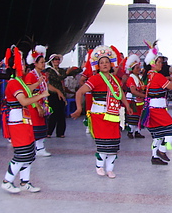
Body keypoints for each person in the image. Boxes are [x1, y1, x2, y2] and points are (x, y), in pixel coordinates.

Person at [71, 46, 132, 178]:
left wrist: (127, 105)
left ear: (111, 64)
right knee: (103, 142)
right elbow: (80, 92)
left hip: (114, 114)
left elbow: (120, 93)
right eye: (101, 63)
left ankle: (110, 169)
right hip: (100, 115)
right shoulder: (95, 79)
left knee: (114, 142)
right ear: (98, 65)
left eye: (106, 62)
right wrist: (79, 109)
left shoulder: (115, 79)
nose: (104, 65)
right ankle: (99, 166)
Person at [0, 45, 49, 193]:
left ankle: (25, 182)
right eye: (20, 62)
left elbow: (27, 90)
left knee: (29, 153)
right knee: (22, 153)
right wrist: (41, 95)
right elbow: (24, 101)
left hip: (24, 120)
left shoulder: (19, 81)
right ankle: (7, 181)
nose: (23, 64)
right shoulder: (14, 83)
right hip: (17, 121)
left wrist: (38, 83)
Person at [140, 44, 172, 164]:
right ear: (153, 63)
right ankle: (162, 150)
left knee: (158, 135)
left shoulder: (148, 76)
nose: (161, 64)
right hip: (157, 108)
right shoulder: (157, 76)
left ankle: (154, 156)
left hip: (150, 107)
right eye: (159, 62)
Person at [24, 45, 52, 157]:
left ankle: (40, 147)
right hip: (34, 104)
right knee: (36, 126)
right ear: (35, 63)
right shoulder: (31, 76)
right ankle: (37, 148)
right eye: (41, 62)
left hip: (42, 102)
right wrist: (38, 106)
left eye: (44, 62)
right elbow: (30, 92)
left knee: (42, 125)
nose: (43, 64)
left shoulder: (43, 75)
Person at [124, 54, 146, 139]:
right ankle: (130, 131)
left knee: (139, 116)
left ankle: (137, 131)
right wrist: (144, 95)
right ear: (132, 70)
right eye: (136, 68)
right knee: (133, 116)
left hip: (139, 100)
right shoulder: (131, 78)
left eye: (139, 67)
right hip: (132, 100)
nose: (139, 69)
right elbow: (133, 91)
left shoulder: (139, 78)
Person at [45, 53, 67, 138]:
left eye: (58, 59)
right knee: (53, 113)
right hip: (53, 94)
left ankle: (60, 132)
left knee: (61, 113)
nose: (57, 61)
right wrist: (66, 73)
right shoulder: (49, 71)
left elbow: (67, 74)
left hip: (61, 94)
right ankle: (49, 131)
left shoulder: (61, 70)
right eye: (55, 59)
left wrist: (80, 68)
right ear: (51, 61)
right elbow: (58, 78)